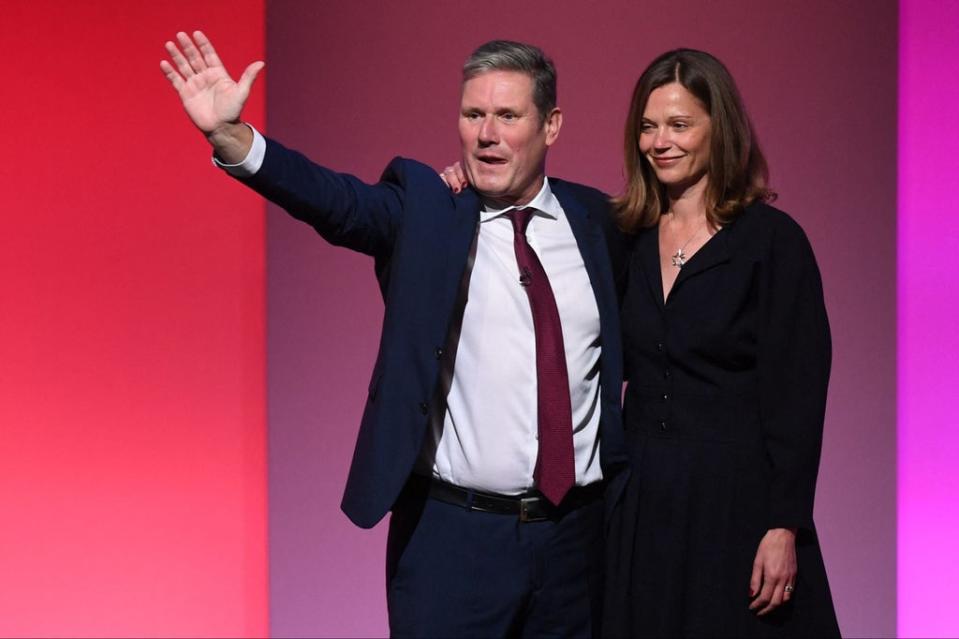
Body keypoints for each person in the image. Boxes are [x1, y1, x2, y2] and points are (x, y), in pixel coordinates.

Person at [160, 32, 628, 638]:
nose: (487, 134)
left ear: (551, 126)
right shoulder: (429, 211)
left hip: (577, 543)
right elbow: (337, 203)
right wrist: (232, 139)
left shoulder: (600, 223)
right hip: (452, 542)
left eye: (508, 116)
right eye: (473, 114)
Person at [603, 48, 841, 637]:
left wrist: (784, 525)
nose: (661, 141)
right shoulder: (624, 239)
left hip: (736, 508)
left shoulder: (771, 243)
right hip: (643, 509)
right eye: (649, 126)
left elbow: (797, 395)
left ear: (720, 130)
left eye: (680, 125)